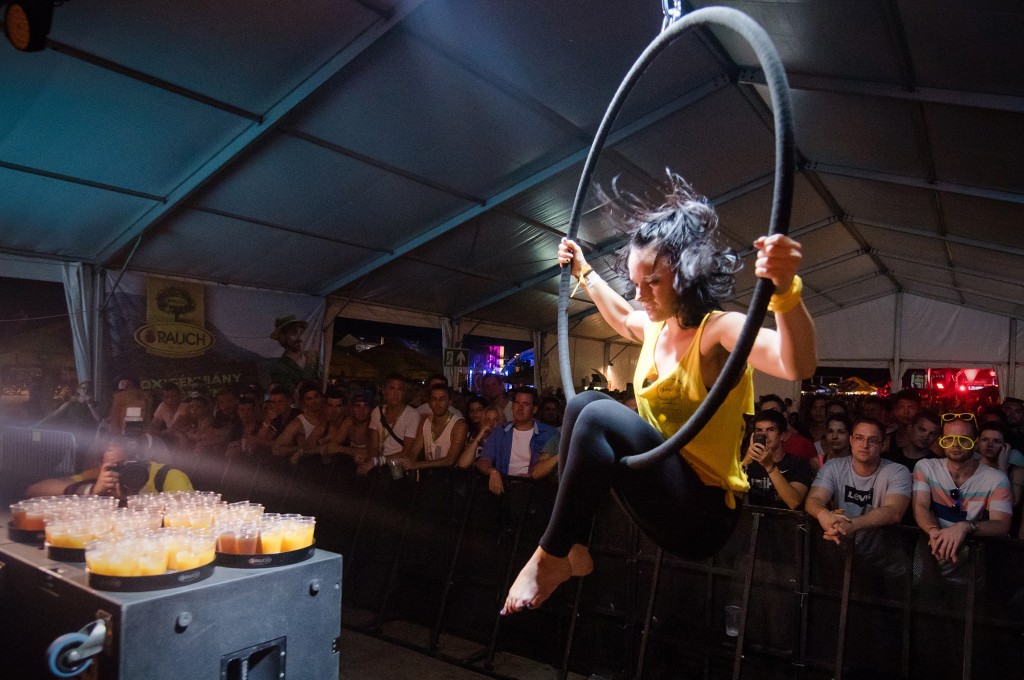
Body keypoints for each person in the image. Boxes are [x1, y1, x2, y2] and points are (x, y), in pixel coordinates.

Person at [502, 175, 816, 614]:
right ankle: (572, 549)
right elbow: (620, 316)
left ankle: (548, 556)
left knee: (595, 414)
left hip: (704, 515)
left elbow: (796, 365)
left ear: (686, 275)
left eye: (652, 282)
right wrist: (584, 272)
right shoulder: (655, 327)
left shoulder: (717, 330)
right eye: (635, 283)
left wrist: (785, 292)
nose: (640, 295)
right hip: (661, 495)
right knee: (584, 404)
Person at [912, 413, 1011, 572]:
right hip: (931, 552)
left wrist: (966, 527)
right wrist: (933, 531)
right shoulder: (926, 468)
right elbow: (920, 506)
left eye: (963, 439)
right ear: (942, 441)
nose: (956, 445)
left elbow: (1002, 525)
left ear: (975, 443)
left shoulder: (996, 479)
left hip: (975, 561)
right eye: (949, 439)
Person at [805, 418, 911, 546]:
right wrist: (824, 515)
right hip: (840, 550)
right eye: (859, 438)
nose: (865, 445)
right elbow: (814, 499)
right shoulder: (833, 466)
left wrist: (853, 524)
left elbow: (894, 511)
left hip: (883, 553)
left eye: (872, 440)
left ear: (883, 445)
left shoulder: (898, 471)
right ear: (851, 441)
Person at [26, 435, 192, 501]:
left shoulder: (167, 476)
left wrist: (128, 502)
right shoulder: (99, 476)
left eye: (129, 463)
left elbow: (187, 516)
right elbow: (34, 490)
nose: (125, 471)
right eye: (116, 467)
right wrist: (91, 490)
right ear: (101, 465)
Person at [476, 387, 557, 495]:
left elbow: (542, 467)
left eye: (525, 404)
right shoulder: (500, 431)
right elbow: (483, 460)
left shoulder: (549, 434)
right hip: (504, 489)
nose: (520, 408)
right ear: (512, 406)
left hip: (534, 491)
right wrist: (492, 471)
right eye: (517, 403)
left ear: (534, 409)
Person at [741, 409, 812, 510]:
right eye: (759, 430)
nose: (765, 435)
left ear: (782, 435)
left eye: (771, 430)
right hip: (752, 518)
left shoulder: (799, 464)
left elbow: (794, 502)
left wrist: (769, 466)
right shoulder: (748, 462)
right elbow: (730, 496)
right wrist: (745, 462)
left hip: (784, 519)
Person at [269, 314, 321, 396]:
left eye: (301, 332)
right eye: (294, 333)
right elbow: (295, 395)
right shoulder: (280, 369)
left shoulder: (312, 357)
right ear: (283, 337)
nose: (300, 338)